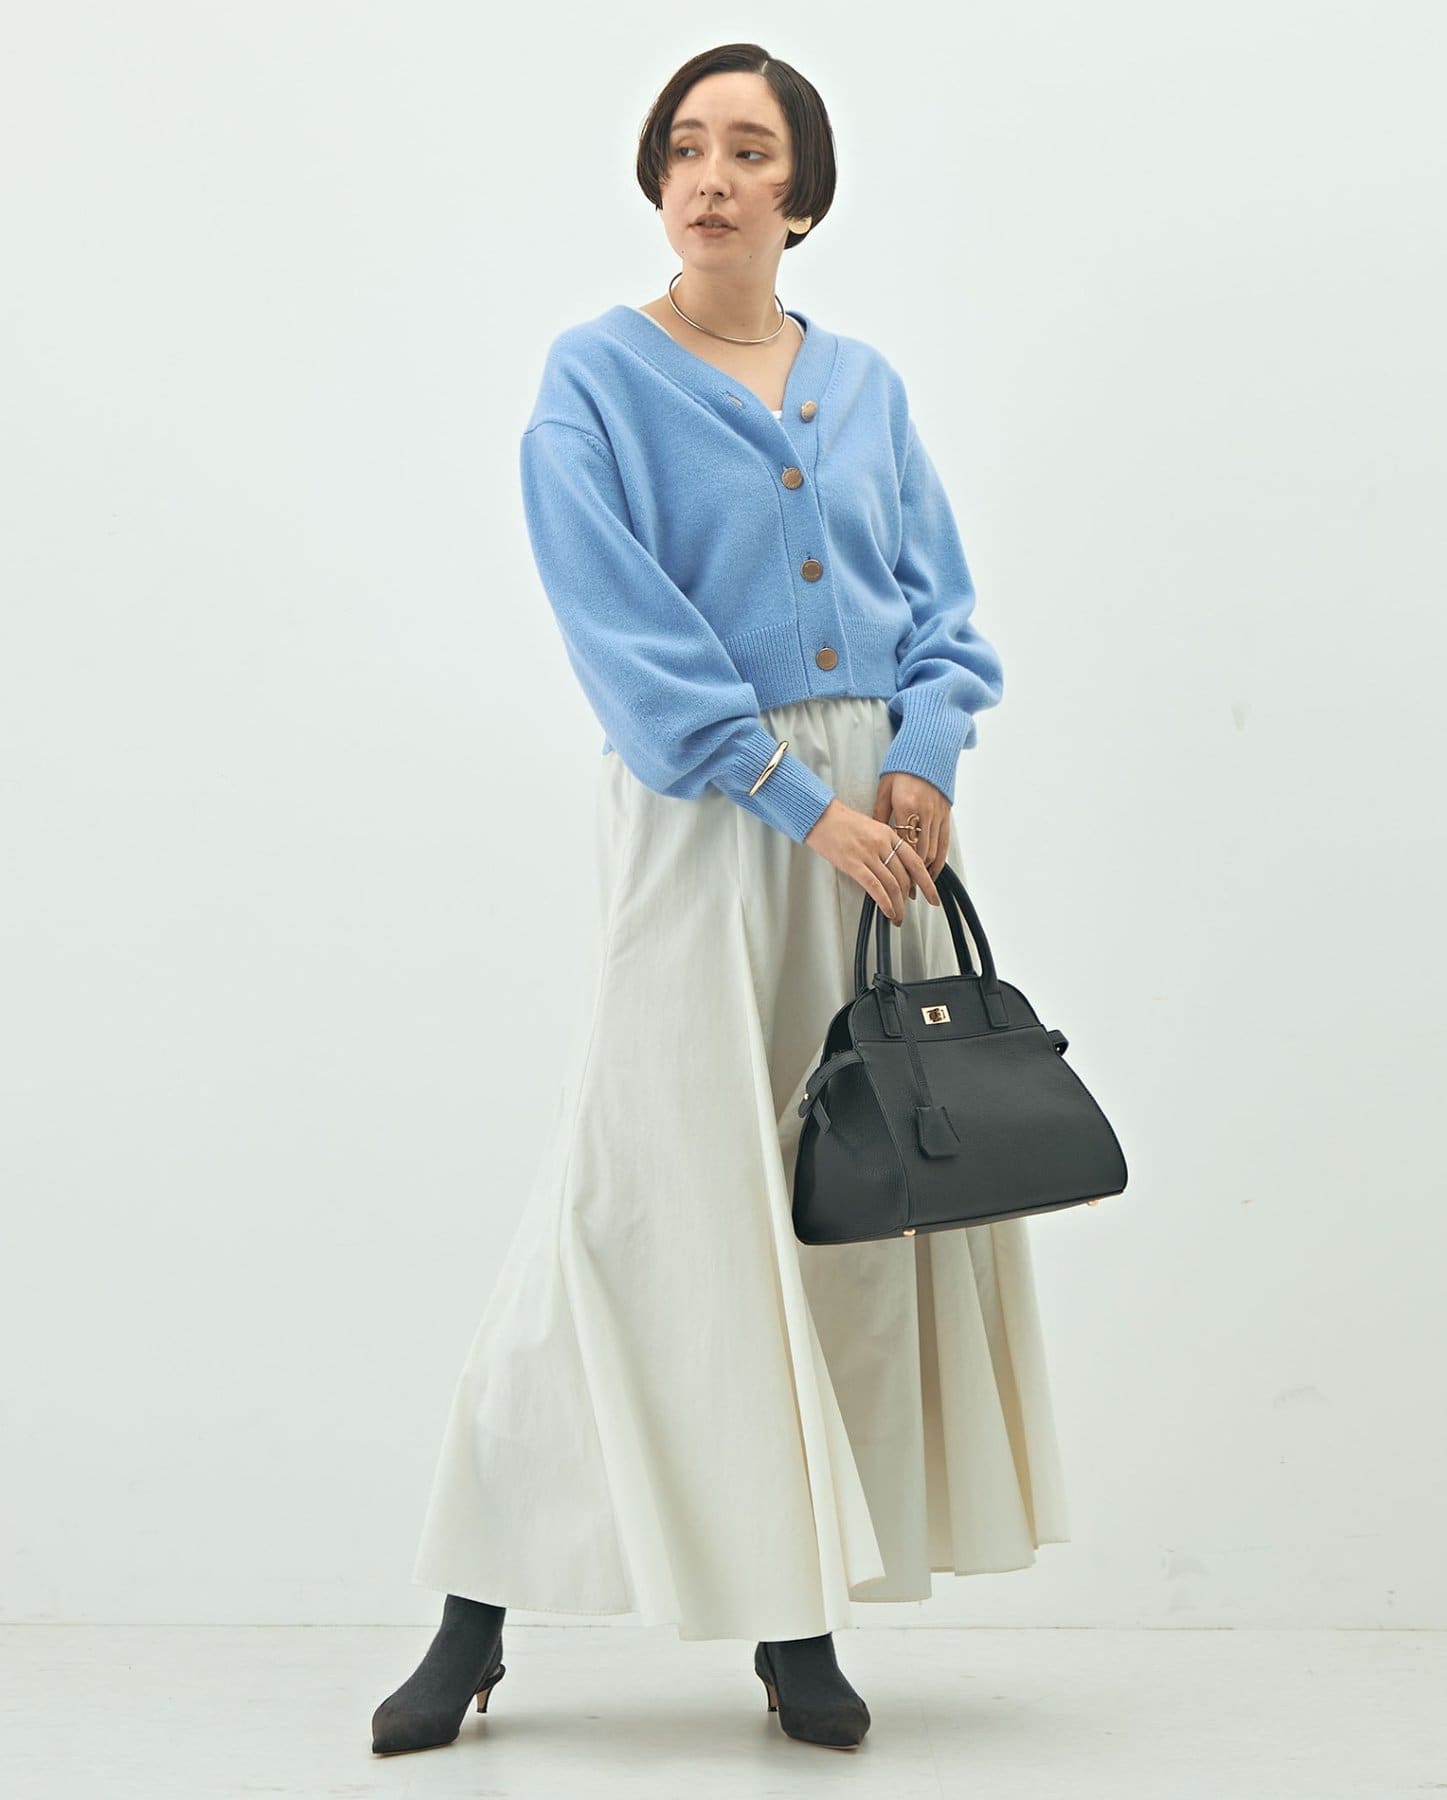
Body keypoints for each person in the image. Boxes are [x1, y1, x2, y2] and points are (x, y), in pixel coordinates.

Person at [371, 42, 1069, 1759]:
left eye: (751, 149)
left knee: (838, 1199)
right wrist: (794, 801)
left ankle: (796, 1622)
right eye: (687, 146)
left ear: (801, 196)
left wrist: (925, 758)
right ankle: (473, 1609)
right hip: (711, 825)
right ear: (658, 180)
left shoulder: (867, 386)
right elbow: (621, 632)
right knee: (635, 1204)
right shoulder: (595, 379)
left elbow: (941, 606)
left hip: (880, 840)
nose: (713, 174)